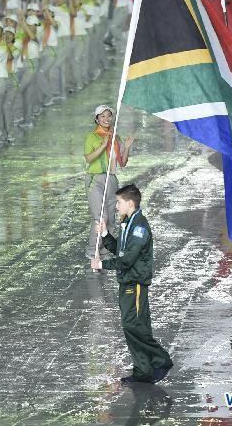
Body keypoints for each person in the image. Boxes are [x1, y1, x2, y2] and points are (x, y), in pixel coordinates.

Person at [91, 184, 173, 384]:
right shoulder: (129, 223)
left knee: (134, 326)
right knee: (136, 326)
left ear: (130, 203)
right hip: (127, 283)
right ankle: (143, 370)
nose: (116, 206)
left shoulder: (139, 228)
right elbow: (120, 250)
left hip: (134, 284)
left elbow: (126, 260)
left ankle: (161, 360)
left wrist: (101, 264)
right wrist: (105, 234)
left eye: (119, 202)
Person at [84, 105, 134, 256]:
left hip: (111, 179)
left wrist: (126, 148)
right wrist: (103, 145)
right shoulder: (92, 137)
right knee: (101, 217)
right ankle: (93, 250)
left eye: (109, 115)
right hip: (95, 179)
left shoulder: (115, 138)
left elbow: (122, 163)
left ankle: (106, 249)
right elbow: (89, 158)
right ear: (96, 119)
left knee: (111, 218)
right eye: (102, 116)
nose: (106, 119)